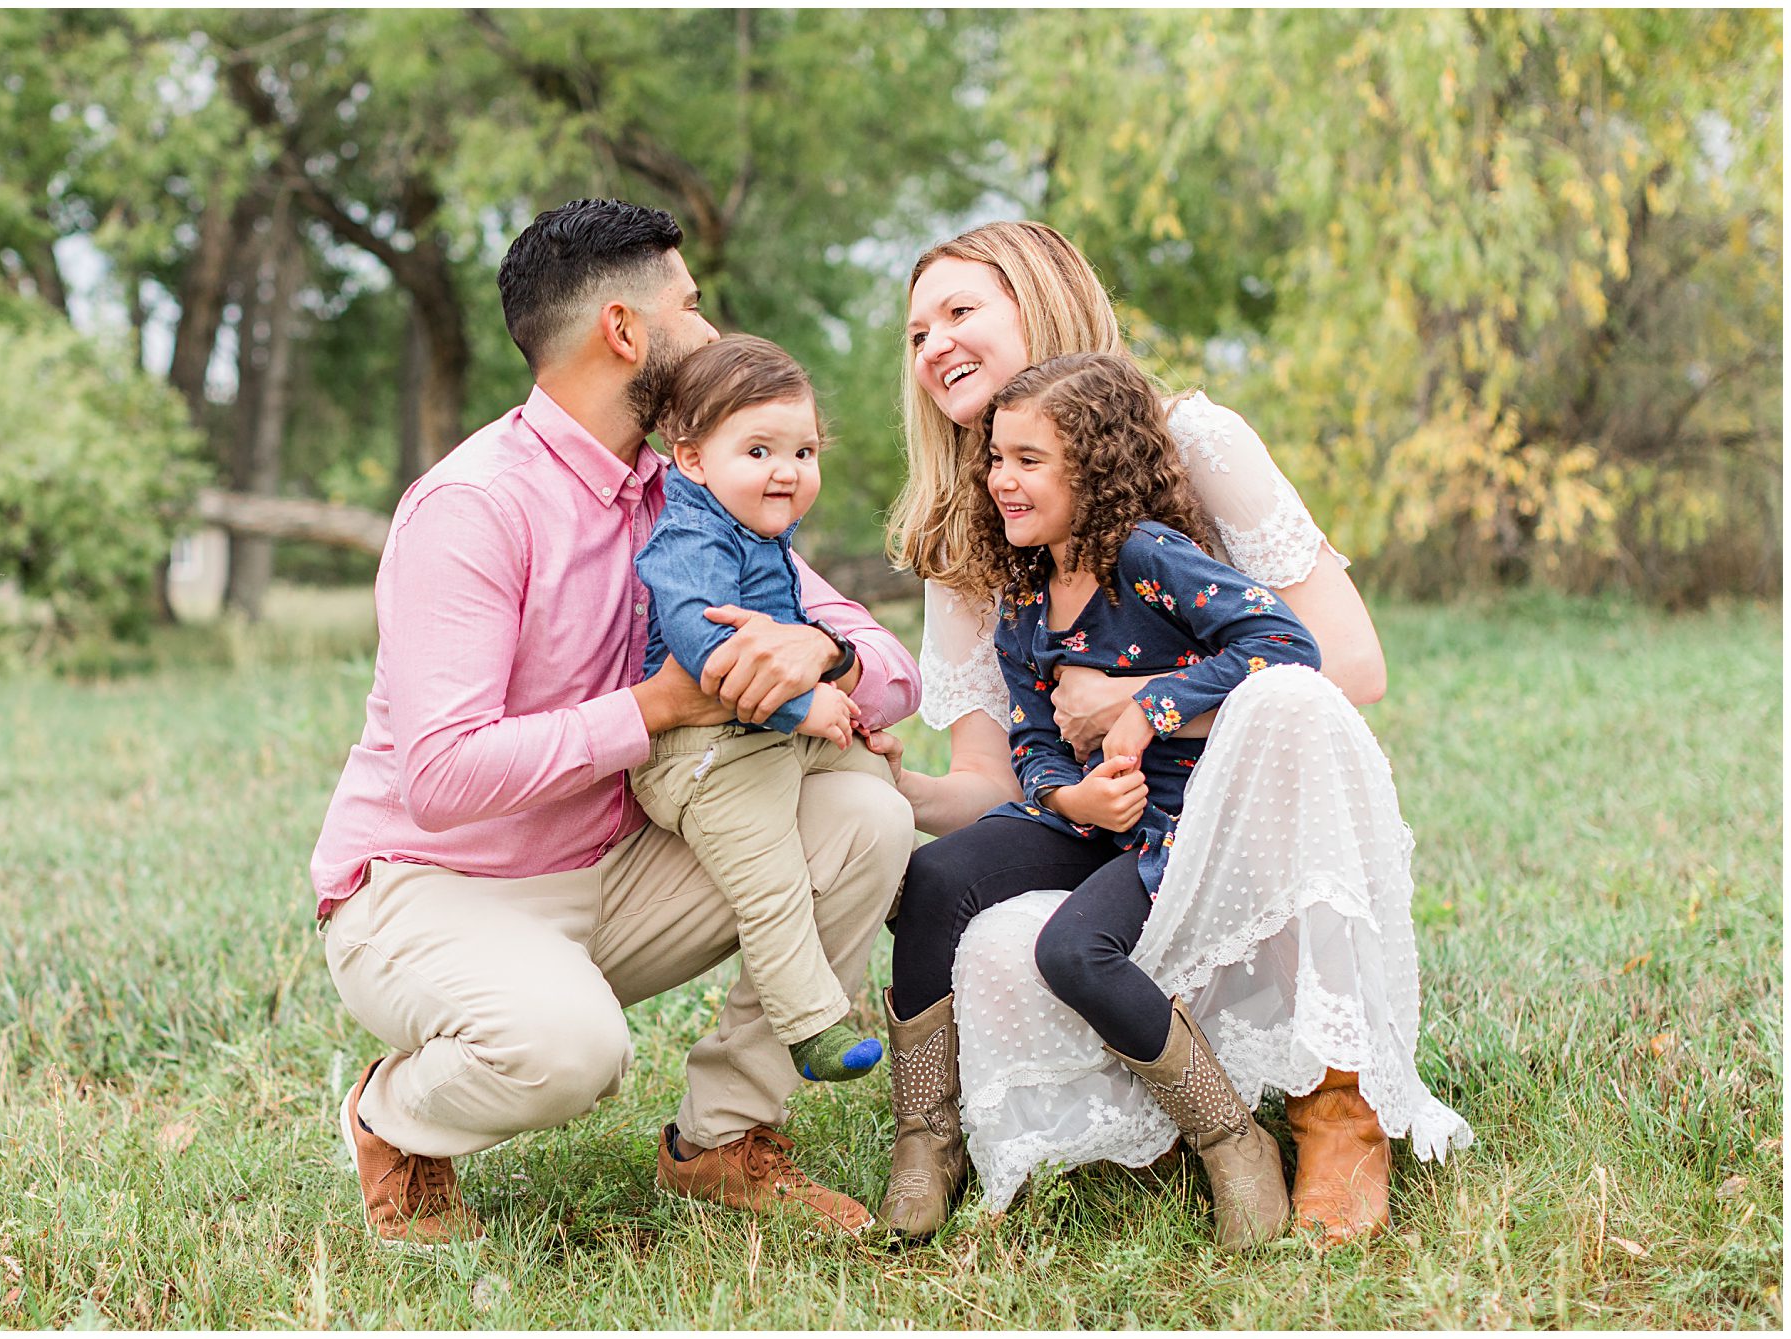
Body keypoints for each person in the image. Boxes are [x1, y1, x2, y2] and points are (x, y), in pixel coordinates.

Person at [309, 199, 920, 1248]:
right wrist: (655, 708)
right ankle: (393, 1117)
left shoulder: (687, 484)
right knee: (569, 1049)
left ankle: (723, 1138)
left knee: (865, 815)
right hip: (431, 887)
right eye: (692, 307)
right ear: (625, 333)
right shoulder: (472, 507)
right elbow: (441, 777)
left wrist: (829, 654)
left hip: (616, 871)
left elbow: (887, 668)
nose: (714, 333)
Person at [870, 221, 1472, 1244]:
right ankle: (925, 1138)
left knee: (1287, 699)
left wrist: (1137, 700)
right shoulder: (986, 538)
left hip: (1224, 797)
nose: (931, 344)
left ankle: (1335, 1107)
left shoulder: (1185, 450)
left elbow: (1343, 663)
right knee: (934, 878)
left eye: (960, 311)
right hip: (1094, 810)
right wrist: (884, 789)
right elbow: (994, 773)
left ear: (1041, 299)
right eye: (916, 328)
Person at [630, 334, 893, 1083]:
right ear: (691, 459)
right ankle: (812, 1024)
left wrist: (837, 700)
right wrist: (804, 706)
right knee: (770, 880)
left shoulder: (755, 528)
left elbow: (827, 642)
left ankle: (905, 885)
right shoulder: (691, 539)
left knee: (876, 766)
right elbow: (711, 658)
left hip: (759, 732)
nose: (788, 471)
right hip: (703, 758)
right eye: (759, 451)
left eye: (804, 452)